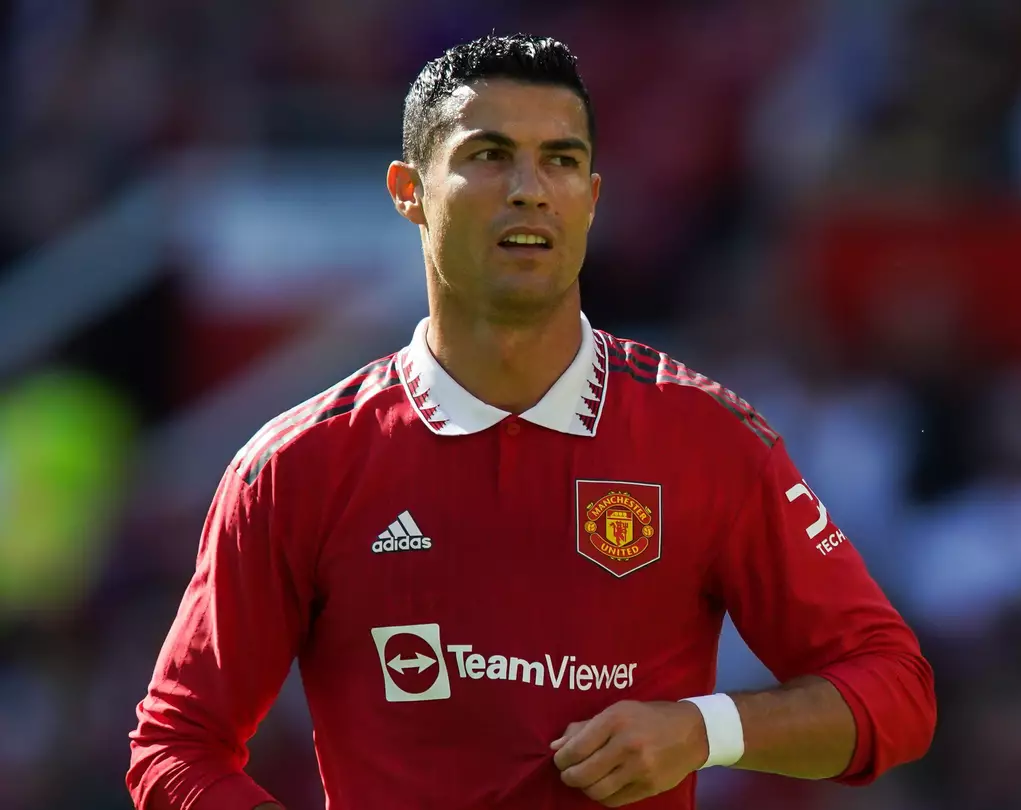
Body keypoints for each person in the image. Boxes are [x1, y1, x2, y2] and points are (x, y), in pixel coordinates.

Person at [127, 33, 935, 809]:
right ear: (408, 193)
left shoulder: (707, 441)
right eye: (488, 156)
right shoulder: (296, 468)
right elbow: (175, 743)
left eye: (561, 161)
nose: (529, 188)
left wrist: (703, 728)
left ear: (592, 198)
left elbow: (894, 691)